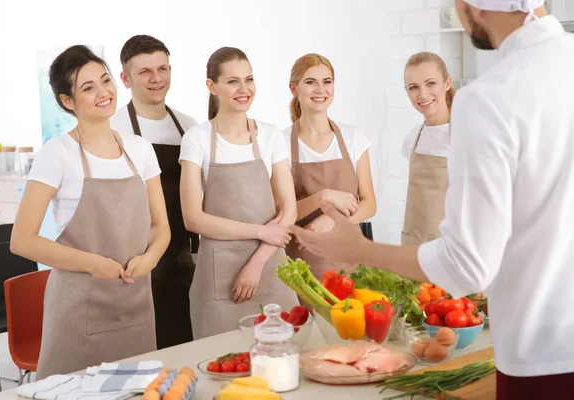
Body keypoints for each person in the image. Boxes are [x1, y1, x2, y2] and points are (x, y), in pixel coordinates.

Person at [293, 0, 574, 397]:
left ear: (471, 6)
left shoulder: (488, 99)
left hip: (541, 355)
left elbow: (467, 266)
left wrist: (358, 247)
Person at [10, 45, 170, 379]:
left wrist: (151, 258)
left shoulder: (140, 150)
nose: (103, 93)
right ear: (67, 101)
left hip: (135, 302)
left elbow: (160, 227)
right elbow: (22, 241)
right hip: (77, 308)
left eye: (105, 80)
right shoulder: (57, 154)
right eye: (88, 87)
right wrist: (95, 265)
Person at [179, 47, 299, 339]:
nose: (244, 89)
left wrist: (256, 264)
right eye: (233, 81)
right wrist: (262, 231)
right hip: (218, 279)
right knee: (219, 364)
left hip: (271, 266)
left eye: (249, 79)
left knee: (285, 359)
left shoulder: (270, 135)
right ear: (212, 87)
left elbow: (289, 211)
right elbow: (193, 219)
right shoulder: (196, 139)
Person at [110, 34, 198, 348]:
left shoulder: (188, 126)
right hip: (136, 257)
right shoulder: (114, 128)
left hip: (182, 255)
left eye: (163, 69)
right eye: (145, 71)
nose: (157, 78)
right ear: (125, 78)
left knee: (185, 342)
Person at [283, 53, 377, 279]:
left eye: (327, 82)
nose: (320, 89)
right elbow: (281, 211)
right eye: (310, 82)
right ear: (294, 89)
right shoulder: (281, 143)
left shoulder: (354, 138)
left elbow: (369, 204)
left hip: (350, 257)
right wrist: (323, 197)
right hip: (302, 263)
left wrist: (332, 220)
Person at [401, 52, 454, 246]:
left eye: (431, 83)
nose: (422, 94)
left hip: (452, 245)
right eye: (413, 87)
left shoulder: (467, 135)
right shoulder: (413, 139)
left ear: (447, 83)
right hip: (415, 243)